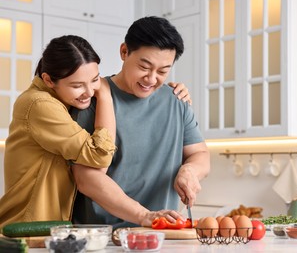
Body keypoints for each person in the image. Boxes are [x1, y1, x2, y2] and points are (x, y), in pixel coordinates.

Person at [0, 35, 191, 228]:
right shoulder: (40, 104)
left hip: (44, 227)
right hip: (26, 228)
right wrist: (106, 96)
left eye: (94, 80)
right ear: (48, 80)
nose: (90, 92)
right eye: (77, 85)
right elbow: (99, 156)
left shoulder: (62, 101)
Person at [71, 16, 210, 228]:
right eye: (145, 67)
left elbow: (200, 155)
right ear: (124, 52)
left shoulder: (177, 101)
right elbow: (86, 178)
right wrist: (144, 215)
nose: (152, 79)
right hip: (102, 237)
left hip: (162, 234)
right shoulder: (93, 99)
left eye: (163, 71)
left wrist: (190, 171)